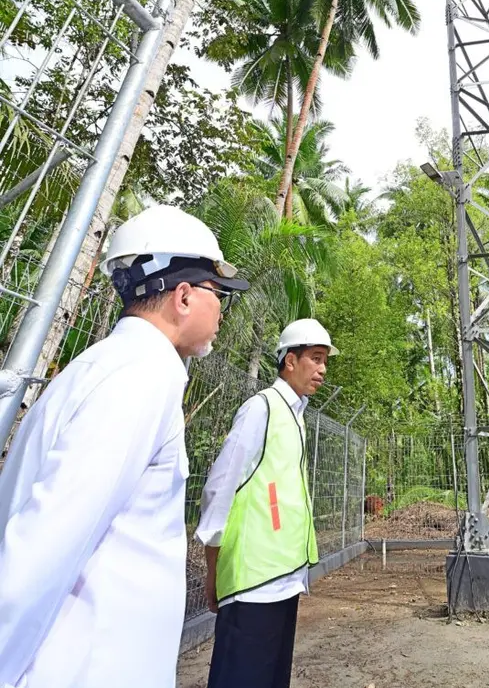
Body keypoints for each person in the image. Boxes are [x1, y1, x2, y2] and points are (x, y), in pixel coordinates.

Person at [0, 205, 248, 688]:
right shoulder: (138, 381)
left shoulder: (109, 369)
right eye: (217, 294)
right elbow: (41, 549)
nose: (221, 309)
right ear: (182, 297)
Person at [198, 317, 339, 688]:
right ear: (289, 361)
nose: (322, 369)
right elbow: (220, 488)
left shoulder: (296, 415)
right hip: (251, 584)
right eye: (315, 358)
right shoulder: (261, 409)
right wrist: (213, 569)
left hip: (283, 580)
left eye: (325, 360)